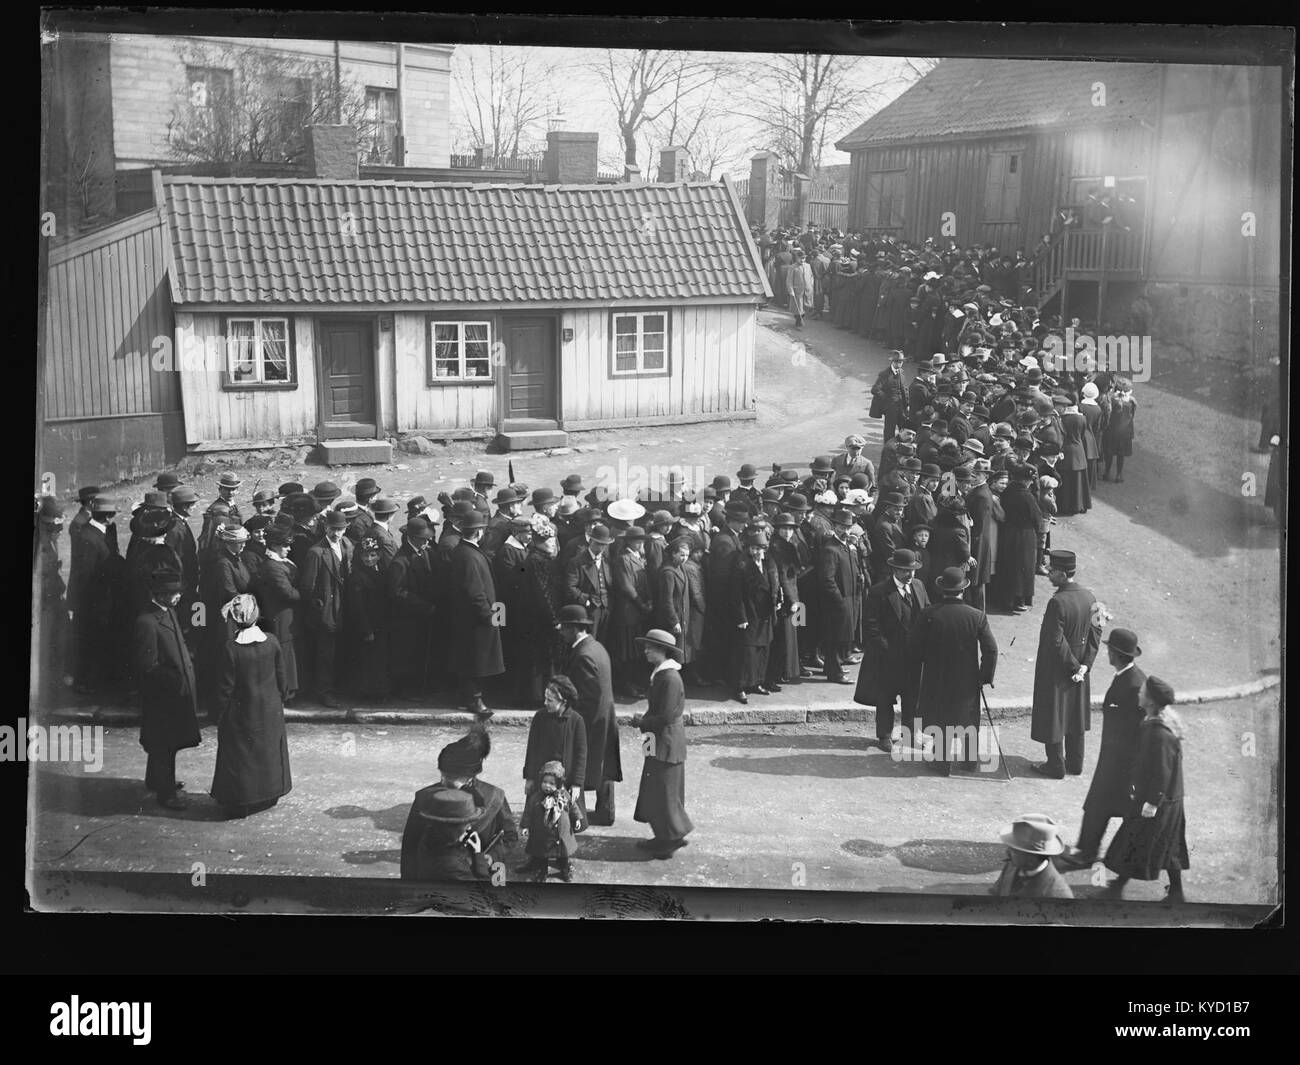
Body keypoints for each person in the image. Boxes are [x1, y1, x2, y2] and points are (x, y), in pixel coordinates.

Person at [1060, 629, 1147, 870]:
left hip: (1120, 763)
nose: (1107, 653)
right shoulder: (1127, 677)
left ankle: (1090, 854)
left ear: (1117, 654)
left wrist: (1132, 769)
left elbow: (1139, 731)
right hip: (1113, 759)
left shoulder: (1133, 684)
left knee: (1103, 806)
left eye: (1110, 650)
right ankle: (1091, 851)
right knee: (1103, 806)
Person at [1103, 676, 1189, 902]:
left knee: (1132, 841)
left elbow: (1162, 772)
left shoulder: (1158, 733)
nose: (1138, 694)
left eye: (1142, 692)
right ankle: (1177, 893)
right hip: (1170, 801)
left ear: (1150, 701)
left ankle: (1116, 888)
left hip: (1158, 802)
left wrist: (1152, 803)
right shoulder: (1158, 724)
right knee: (1169, 846)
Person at [909, 566, 998, 774]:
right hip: (967, 677)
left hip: (936, 675)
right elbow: (991, 649)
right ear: (963, 590)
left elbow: (914, 645)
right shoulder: (976, 616)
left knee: (941, 717)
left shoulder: (929, 614)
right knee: (967, 717)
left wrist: (924, 662)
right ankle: (969, 762)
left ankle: (941, 762)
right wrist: (984, 676)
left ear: (942, 590)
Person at [210, 594, 292, 818]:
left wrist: (218, 714)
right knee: (269, 752)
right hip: (270, 708)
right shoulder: (272, 641)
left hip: (242, 711)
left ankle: (243, 799)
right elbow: (282, 676)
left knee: (243, 756)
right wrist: (281, 696)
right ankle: (271, 793)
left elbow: (225, 688)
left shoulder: (231, 649)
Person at [401, 727, 519, 880]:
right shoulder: (425, 797)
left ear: (469, 777)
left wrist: (491, 856)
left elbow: (510, 836)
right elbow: (410, 847)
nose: (444, 781)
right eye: (443, 774)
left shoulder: (495, 796)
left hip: (482, 874)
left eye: (451, 777)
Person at [132, 568, 201, 810]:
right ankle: (166, 793)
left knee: (164, 742)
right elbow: (147, 666)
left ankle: (155, 780)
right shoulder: (147, 622)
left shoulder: (167, 612)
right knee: (165, 745)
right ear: (159, 595)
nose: (178, 596)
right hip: (164, 696)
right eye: (173, 593)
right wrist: (174, 681)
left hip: (175, 693)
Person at [1030, 549, 1102, 778]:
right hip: (1081, 665)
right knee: (1075, 715)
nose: (1049, 573)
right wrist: (1085, 665)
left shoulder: (1057, 602)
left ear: (1062, 574)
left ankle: (1055, 766)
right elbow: (1096, 632)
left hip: (1059, 668)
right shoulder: (1090, 597)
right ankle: (1075, 763)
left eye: (1052, 570)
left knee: (1055, 715)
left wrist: (1072, 666)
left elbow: (1055, 641)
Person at [856, 549, 930, 752]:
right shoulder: (879, 591)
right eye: (906, 571)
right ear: (895, 569)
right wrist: (885, 648)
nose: (911, 575)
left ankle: (910, 735)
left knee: (912, 698)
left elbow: (927, 613)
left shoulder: (918, 586)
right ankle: (885, 736)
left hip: (914, 656)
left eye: (913, 570)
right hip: (888, 656)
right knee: (885, 697)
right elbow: (870, 625)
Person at [630, 629, 693, 858]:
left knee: (664, 792)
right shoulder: (661, 674)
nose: (646, 651)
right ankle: (671, 835)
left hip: (666, 742)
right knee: (661, 790)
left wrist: (641, 722)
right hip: (660, 741)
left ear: (662, 651)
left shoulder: (669, 678)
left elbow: (665, 716)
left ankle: (667, 841)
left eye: (650, 648)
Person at [558, 605, 621, 828]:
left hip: (590, 721)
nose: (560, 631)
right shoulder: (596, 647)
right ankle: (606, 812)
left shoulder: (582, 655)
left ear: (574, 629)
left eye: (564, 627)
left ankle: (579, 817)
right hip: (605, 717)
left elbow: (586, 697)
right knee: (604, 766)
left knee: (578, 765)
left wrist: (570, 720)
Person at [519, 673, 588, 874]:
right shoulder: (540, 718)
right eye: (545, 698)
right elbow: (531, 749)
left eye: (550, 700)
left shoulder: (576, 721)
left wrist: (577, 783)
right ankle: (536, 859)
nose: (545, 702)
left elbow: (582, 754)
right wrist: (530, 777)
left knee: (562, 824)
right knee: (538, 821)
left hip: (564, 784)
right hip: (542, 781)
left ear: (563, 701)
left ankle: (563, 862)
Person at [298, 510, 352, 708]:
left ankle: (339, 687)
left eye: (340, 529)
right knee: (325, 655)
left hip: (343, 606)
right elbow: (307, 586)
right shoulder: (316, 552)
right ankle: (324, 691)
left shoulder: (346, 545)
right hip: (327, 611)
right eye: (333, 529)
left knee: (339, 651)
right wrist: (319, 607)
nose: (336, 533)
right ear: (326, 527)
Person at [728, 527, 778, 703]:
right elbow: (736, 595)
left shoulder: (768, 562)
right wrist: (741, 618)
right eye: (754, 549)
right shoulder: (741, 565)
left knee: (762, 649)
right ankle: (740, 686)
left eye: (761, 549)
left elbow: (774, 584)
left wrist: (776, 600)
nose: (757, 552)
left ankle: (757, 682)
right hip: (750, 613)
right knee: (746, 652)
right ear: (749, 548)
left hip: (764, 613)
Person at [252, 525, 300, 703]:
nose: (289, 549)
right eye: (285, 546)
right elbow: (287, 592)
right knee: (283, 652)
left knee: (287, 652)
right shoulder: (273, 567)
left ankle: (288, 689)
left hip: (284, 614)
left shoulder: (278, 563)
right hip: (280, 615)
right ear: (274, 546)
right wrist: (303, 593)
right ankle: (285, 691)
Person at [343, 536, 391, 700]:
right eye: (365, 556)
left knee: (378, 659)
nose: (369, 559)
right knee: (367, 660)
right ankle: (367, 692)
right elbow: (357, 607)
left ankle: (378, 691)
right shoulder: (357, 577)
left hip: (380, 623)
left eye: (373, 555)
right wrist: (366, 629)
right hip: (366, 625)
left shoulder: (381, 571)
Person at [819, 506, 862, 684]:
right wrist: (838, 600)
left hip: (850, 599)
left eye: (847, 527)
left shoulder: (847, 547)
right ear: (835, 527)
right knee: (835, 638)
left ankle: (831, 667)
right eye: (841, 527)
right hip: (838, 602)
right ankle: (835, 673)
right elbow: (828, 579)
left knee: (842, 636)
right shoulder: (831, 549)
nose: (845, 530)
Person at [519, 760, 579, 883]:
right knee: (542, 853)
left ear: (558, 784)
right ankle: (542, 871)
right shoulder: (536, 797)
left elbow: (573, 807)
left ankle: (565, 869)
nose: (547, 785)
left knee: (563, 853)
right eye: (545, 782)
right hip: (542, 833)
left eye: (551, 783)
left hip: (561, 832)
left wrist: (577, 818)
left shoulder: (564, 795)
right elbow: (528, 812)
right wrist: (524, 826)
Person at [992, 814, 1074, 899]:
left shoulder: (1057, 894)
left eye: (1014, 850)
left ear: (1031, 857)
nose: (1007, 852)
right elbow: (994, 892)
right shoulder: (1012, 865)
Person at [1102, 377, 1136, 482]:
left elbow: (1106, 415)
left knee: (1109, 452)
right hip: (1124, 432)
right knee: (1121, 454)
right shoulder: (1132, 402)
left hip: (1111, 431)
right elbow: (1132, 416)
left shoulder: (1110, 400)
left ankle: (1107, 473)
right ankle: (1119, 475)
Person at [787, 247, 814, 327]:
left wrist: (811, 284)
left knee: (806, 306)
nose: (802, 260)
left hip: (807, 290)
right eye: (800, 258)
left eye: (804, 258)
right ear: (796, 258)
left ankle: (800, 317)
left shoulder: (808, 266)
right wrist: (790, 290)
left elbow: (811, 276)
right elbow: (789, 280)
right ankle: (798, 321)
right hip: (797, 290)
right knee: (798, 308)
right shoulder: (792, 267)